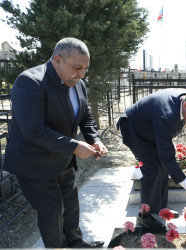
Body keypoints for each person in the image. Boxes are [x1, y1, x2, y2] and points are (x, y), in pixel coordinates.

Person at [3, 37, 108, 248]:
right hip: (35, 163)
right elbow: (33, 130)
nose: (81, 74)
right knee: (52, 213)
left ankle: (76, 242)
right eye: (77, 67)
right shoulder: (30, 82)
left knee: (70, 206)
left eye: (85, 68)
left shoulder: (79, 83)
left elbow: (85, 116)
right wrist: (73, 146)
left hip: (63, 160)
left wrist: (94, 139)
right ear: (58, 59)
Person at [117, 89, 186, 227]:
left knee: (162, 167)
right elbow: (167, 157)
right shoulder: (167, 116)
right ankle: (145, 216)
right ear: (185, 105)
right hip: (134, 129)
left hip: (151, 127)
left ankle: (161, 210)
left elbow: (165, 158)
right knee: (152, 169)